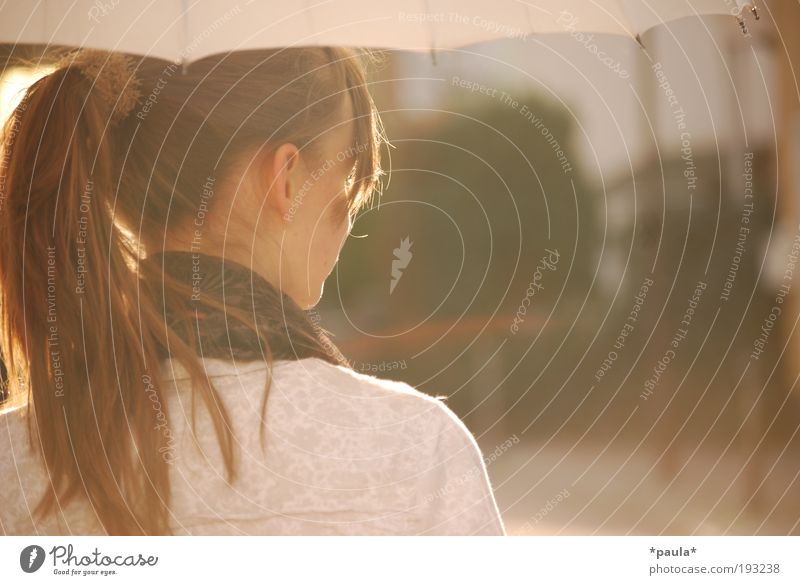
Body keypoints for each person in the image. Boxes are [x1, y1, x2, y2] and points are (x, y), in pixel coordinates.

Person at [0, 47, 505, 536]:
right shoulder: (413, 449)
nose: (351, 218)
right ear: (287, 179)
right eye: (350, 180)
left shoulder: (15, 462)